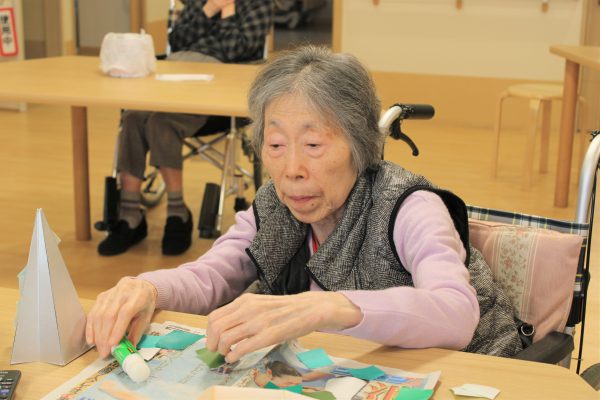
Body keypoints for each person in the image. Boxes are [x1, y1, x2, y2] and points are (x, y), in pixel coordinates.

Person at [87, 46, 523, 364]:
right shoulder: (275, 207)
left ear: (359, 145)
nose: (291, 170)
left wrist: (322, 307)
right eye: (276, 144)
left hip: (476, 372)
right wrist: (146, 288)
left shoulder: (408, 206)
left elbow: (456, 313)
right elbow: (212, 276)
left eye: (313, 145)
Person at [98, 0, 273, 256]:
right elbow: (177, 40)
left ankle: (177, 213)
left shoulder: (259, 4)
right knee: (133, 117)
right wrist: (209, 10)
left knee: (161, 122)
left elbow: (235, 49)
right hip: (175, 76)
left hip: (218, 91)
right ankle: (129, 214)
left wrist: (227, 13)